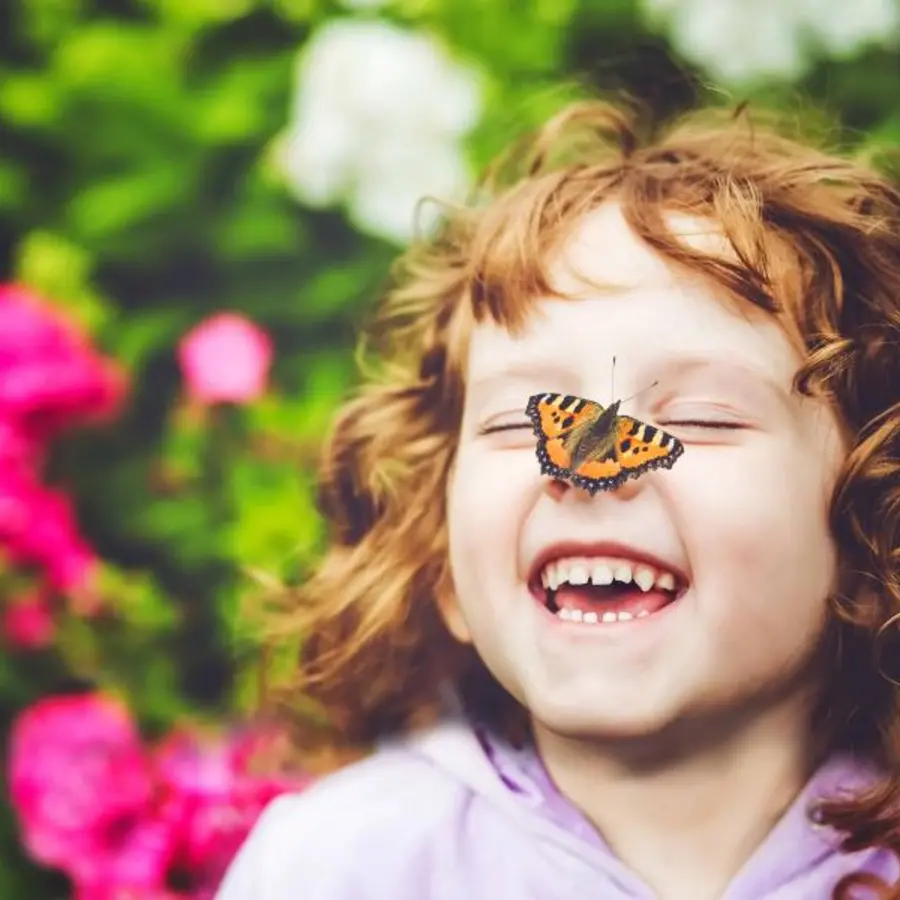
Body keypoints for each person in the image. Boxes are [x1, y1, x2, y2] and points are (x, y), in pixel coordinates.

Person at [215, 98, 900, 900]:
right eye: (520, 421)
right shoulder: (340, 867)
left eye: (699, 418)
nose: (584, 466)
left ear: (868, 540)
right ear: (440, 563)